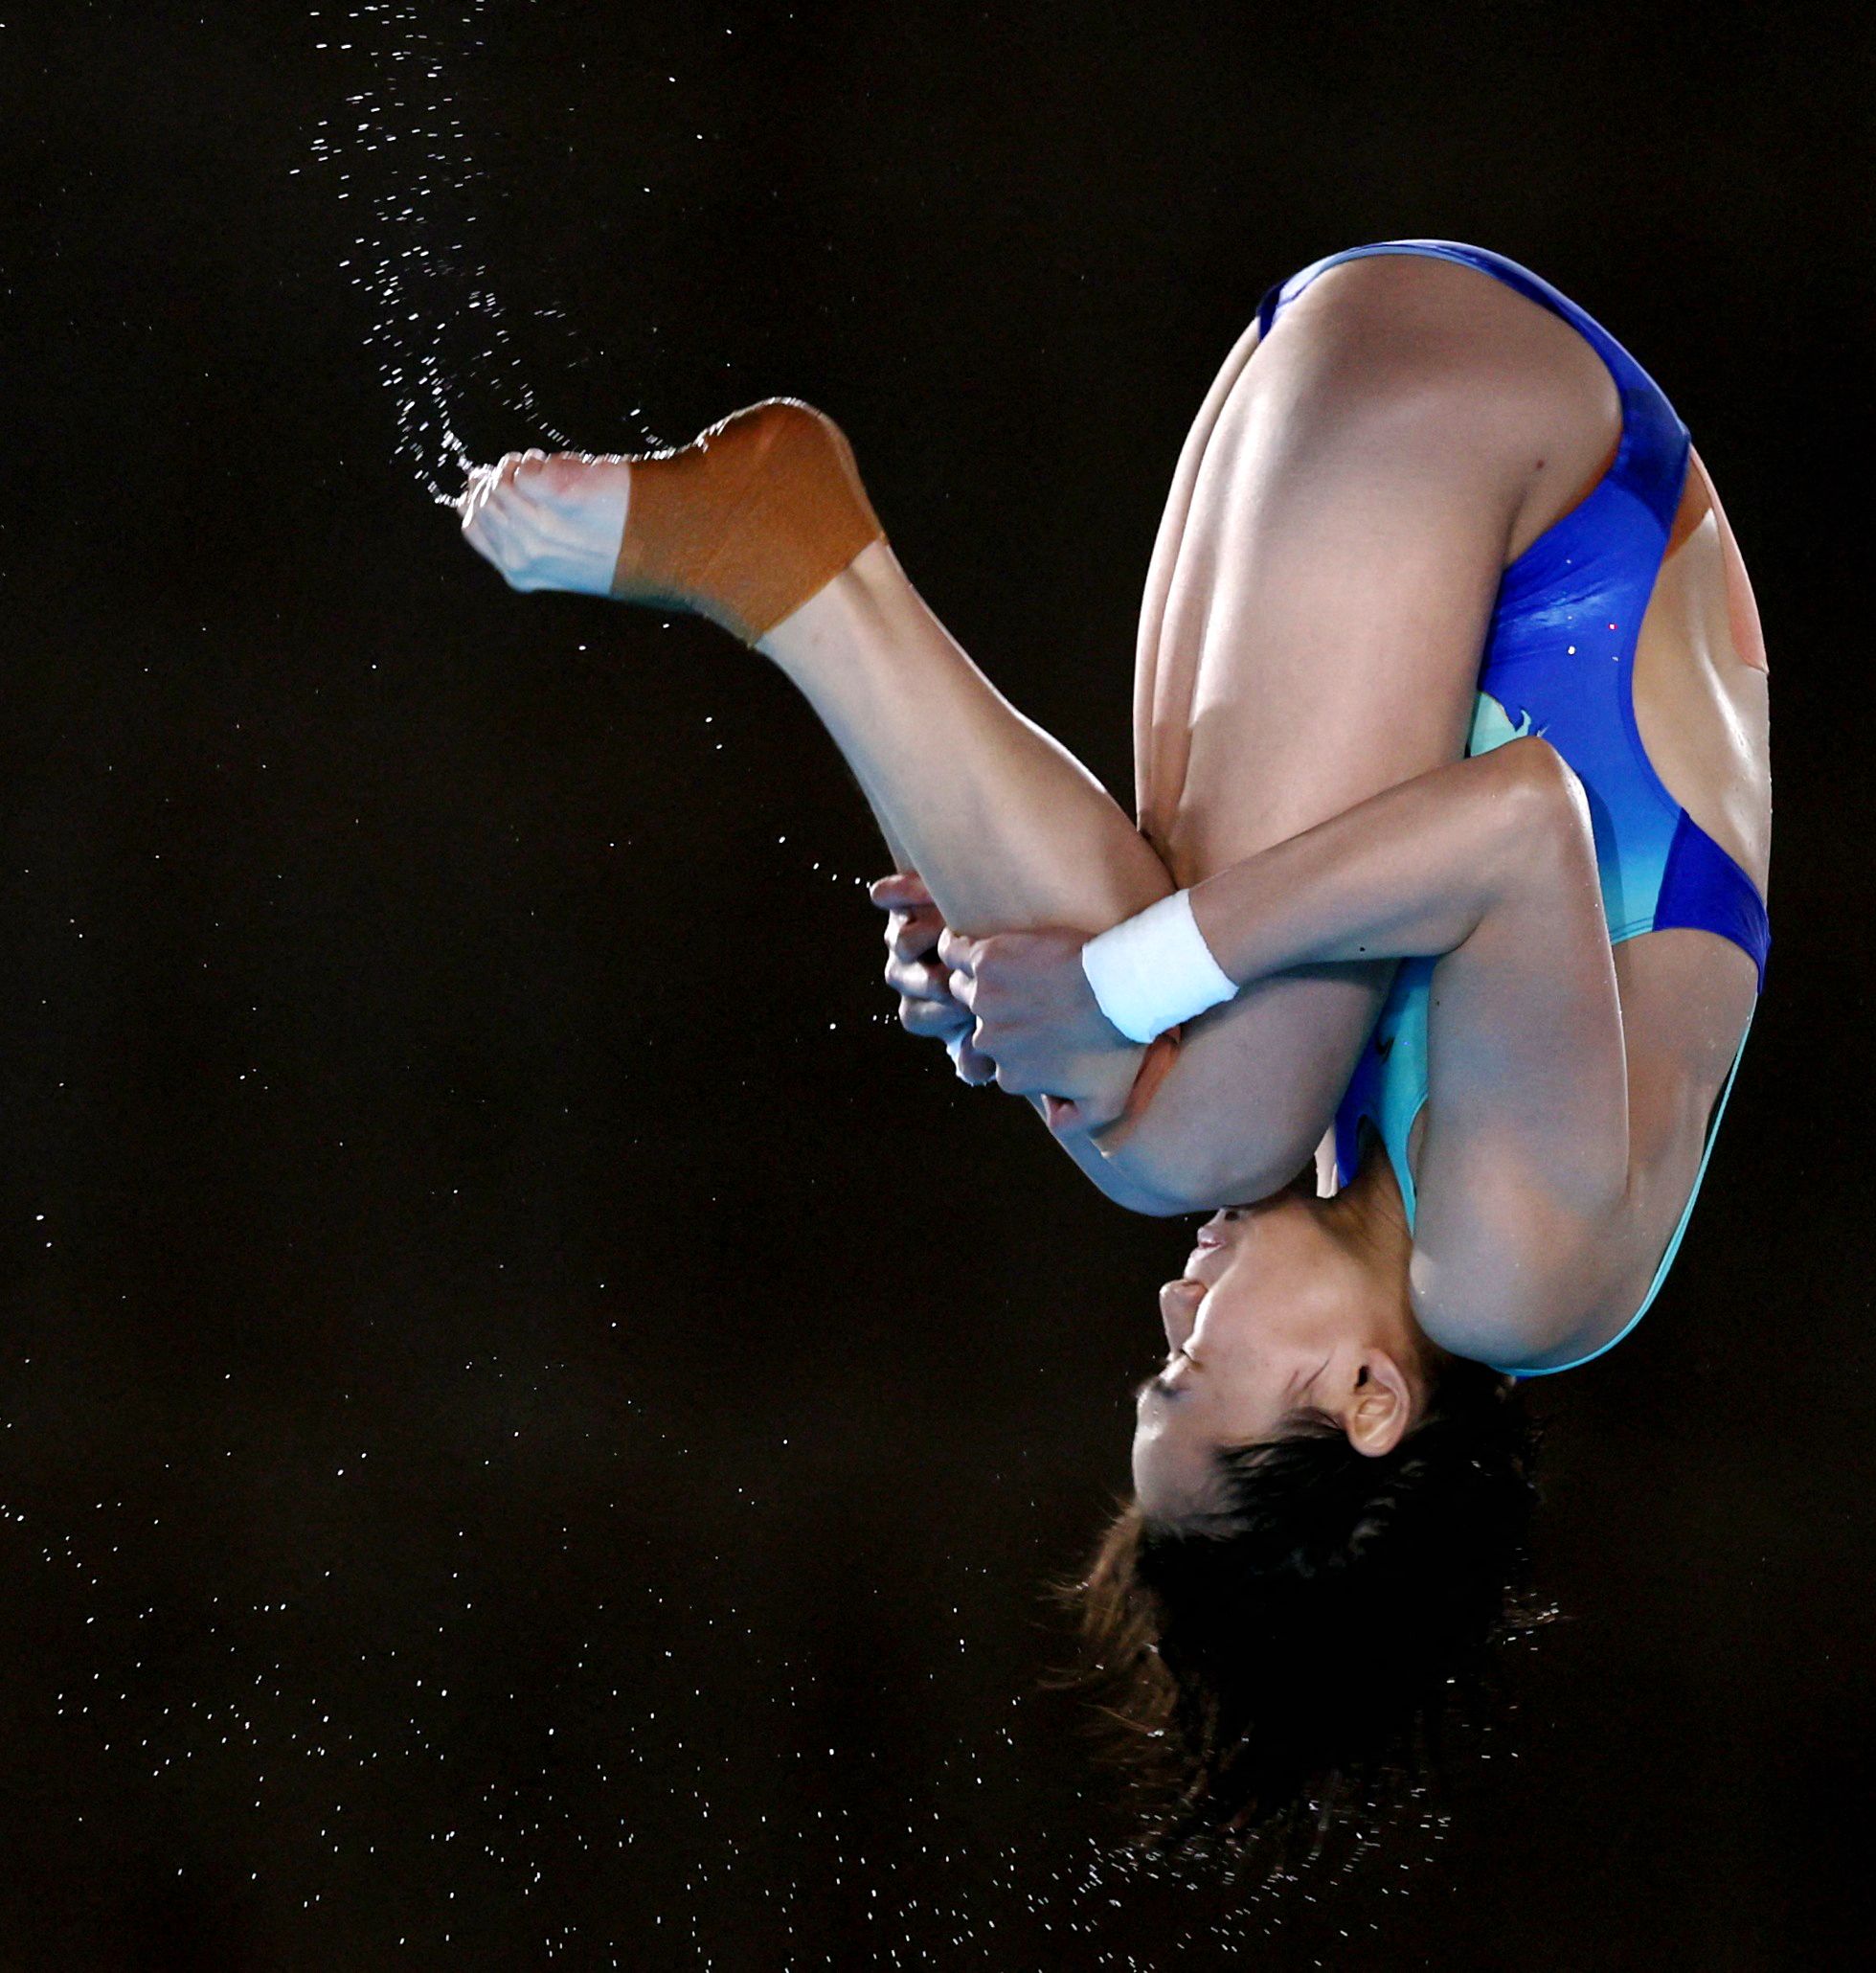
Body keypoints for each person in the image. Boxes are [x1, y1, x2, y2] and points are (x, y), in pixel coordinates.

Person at [455, 242, 1770, 1846]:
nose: (1170, 1308)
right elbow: (1523, 828)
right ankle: (795, 571)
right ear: (1365, 1403)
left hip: (1388, 399)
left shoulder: (1381, 1187)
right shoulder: (1523, 1276)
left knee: (1149, 1102)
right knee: (1186, 1121)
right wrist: (1120, 987)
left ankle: (813, 581)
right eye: (1184, 1374)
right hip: (1504, 438)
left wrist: (1023, 987)